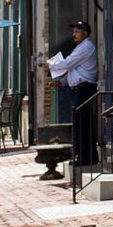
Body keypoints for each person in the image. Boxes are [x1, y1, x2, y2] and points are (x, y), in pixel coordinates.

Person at [46, 20, 98, 165]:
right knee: (79, 123)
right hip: (78, 89)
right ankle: (82, 155)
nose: (73, 34)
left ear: (85, 34)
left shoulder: (86, 46)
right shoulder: (80, 47)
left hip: (84, 89)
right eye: (73, 31)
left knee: (82, 123)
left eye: (77, 32)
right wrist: (61, 82)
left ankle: (84, 157)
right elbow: (75, 70)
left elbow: (68, 64)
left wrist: (49, 65)